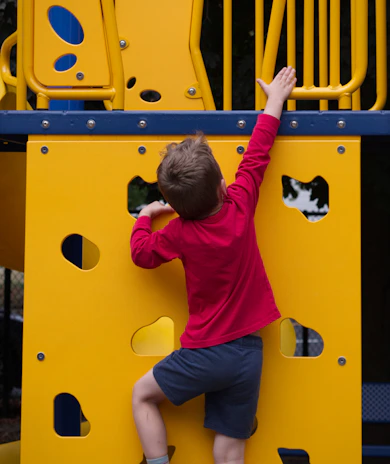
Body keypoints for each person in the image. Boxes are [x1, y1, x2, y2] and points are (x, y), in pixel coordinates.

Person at [131, 67, 297, 464]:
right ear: (222, 185)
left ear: (175, 204)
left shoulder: (178, 233)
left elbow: (141, 254)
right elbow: (258, 153)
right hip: (248, 355)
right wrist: (274, 99)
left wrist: (146, 214)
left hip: (205, 353)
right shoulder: (240, 205)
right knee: (229, 448)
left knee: (142, 395)